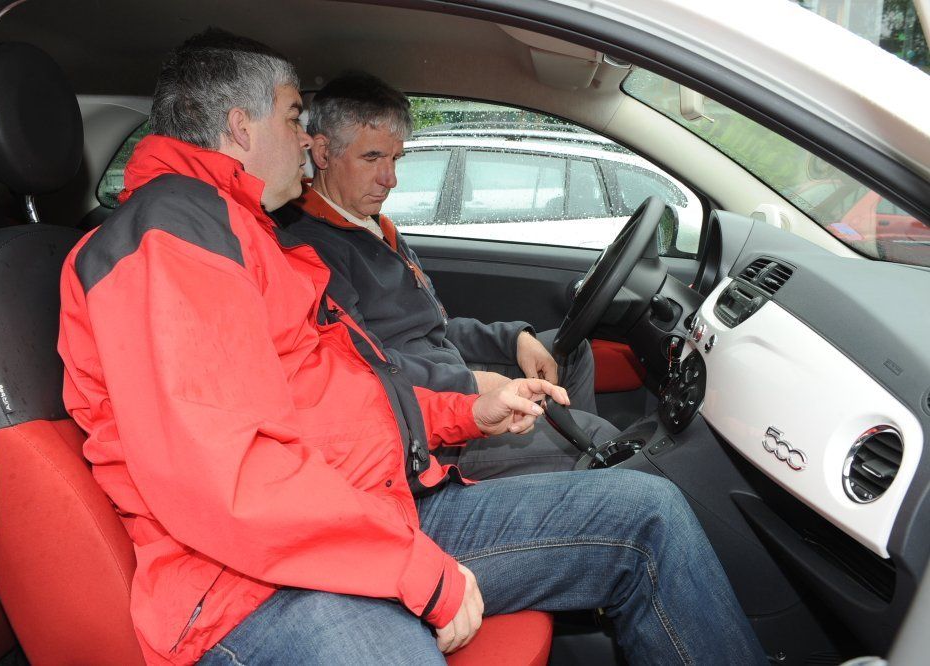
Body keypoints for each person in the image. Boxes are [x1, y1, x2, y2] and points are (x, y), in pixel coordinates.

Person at [57, 29, 766, 666]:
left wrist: (461, 414)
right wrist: (414, 570)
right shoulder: (170, 240)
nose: (305, 141)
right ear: (241, 126)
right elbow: (227, 478)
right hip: (256, 583)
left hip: (373, 509)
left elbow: (341, 394)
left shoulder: (248, 234)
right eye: (294, 117)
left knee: (647, 514)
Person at [274, 73, 618, 479]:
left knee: (571, 353)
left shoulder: (372, 225)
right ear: (323, 153)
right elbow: (362, 367)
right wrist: (471, 383)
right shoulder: (310, 248)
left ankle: (574, 479)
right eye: (372, 158)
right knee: (596, 439)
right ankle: (584, 472)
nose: (390, 179)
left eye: (395, 159)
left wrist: (514, 339)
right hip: (422, 423)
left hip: (445, 372)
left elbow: (436, 327)